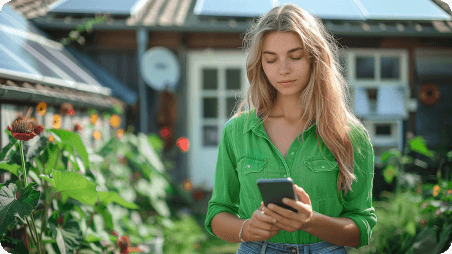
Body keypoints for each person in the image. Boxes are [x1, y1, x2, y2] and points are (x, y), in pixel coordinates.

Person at [205, 3, 377, 254]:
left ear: (314, 59)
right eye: (271, 59)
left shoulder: (350, 135)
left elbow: (362, 228)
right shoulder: (237, 131)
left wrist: (311, 221)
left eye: (295, 57)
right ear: (259, 64)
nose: (283, 69)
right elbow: (217, 213)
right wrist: (247, 229)